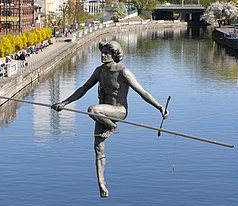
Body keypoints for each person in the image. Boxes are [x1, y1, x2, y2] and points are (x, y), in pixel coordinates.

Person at [51, 41, 169, 198]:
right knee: (98, 147)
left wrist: (160, 107)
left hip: (118, 111)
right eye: (102, 52)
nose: (103, 55)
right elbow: (83, 89)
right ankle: (101, 183)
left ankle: (112, 127)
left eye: (107, 53)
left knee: (92, 109)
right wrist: (64, 103)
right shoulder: (99, 71)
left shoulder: (123, 72)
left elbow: (142, 92)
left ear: (115, 55)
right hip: (103, 113)